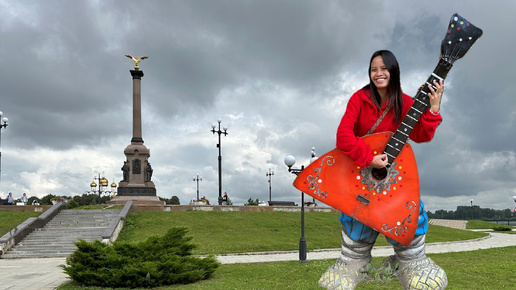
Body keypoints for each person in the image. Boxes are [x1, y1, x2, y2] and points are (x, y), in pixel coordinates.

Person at [319, 50, 447, 290]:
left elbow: (421, 135)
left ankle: (412, 261)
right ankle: (353, 261)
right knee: (356, 212)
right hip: (361, 173)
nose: (378, 74)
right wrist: (369, 159)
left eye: (383, 68)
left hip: (395, 177)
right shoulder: (359, 99)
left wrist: (433, 110)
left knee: (409, 211)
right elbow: (343, 137)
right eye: (373, 69)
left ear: (393, 70)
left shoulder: (405, 101)